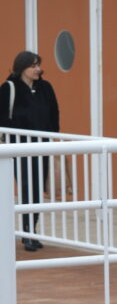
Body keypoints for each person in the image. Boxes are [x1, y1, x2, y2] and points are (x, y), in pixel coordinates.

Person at [1, 51, 60, 252]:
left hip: (41, 146)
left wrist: (51, 136)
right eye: (33, 65)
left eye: (38, 65)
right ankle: (26, 233)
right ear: (22, 67)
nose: (37, 69)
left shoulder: (45, 87)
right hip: (19, 147)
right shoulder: (9, 88)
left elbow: (54, 114)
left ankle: (31, 230)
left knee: (37, 189)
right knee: (27, 187)